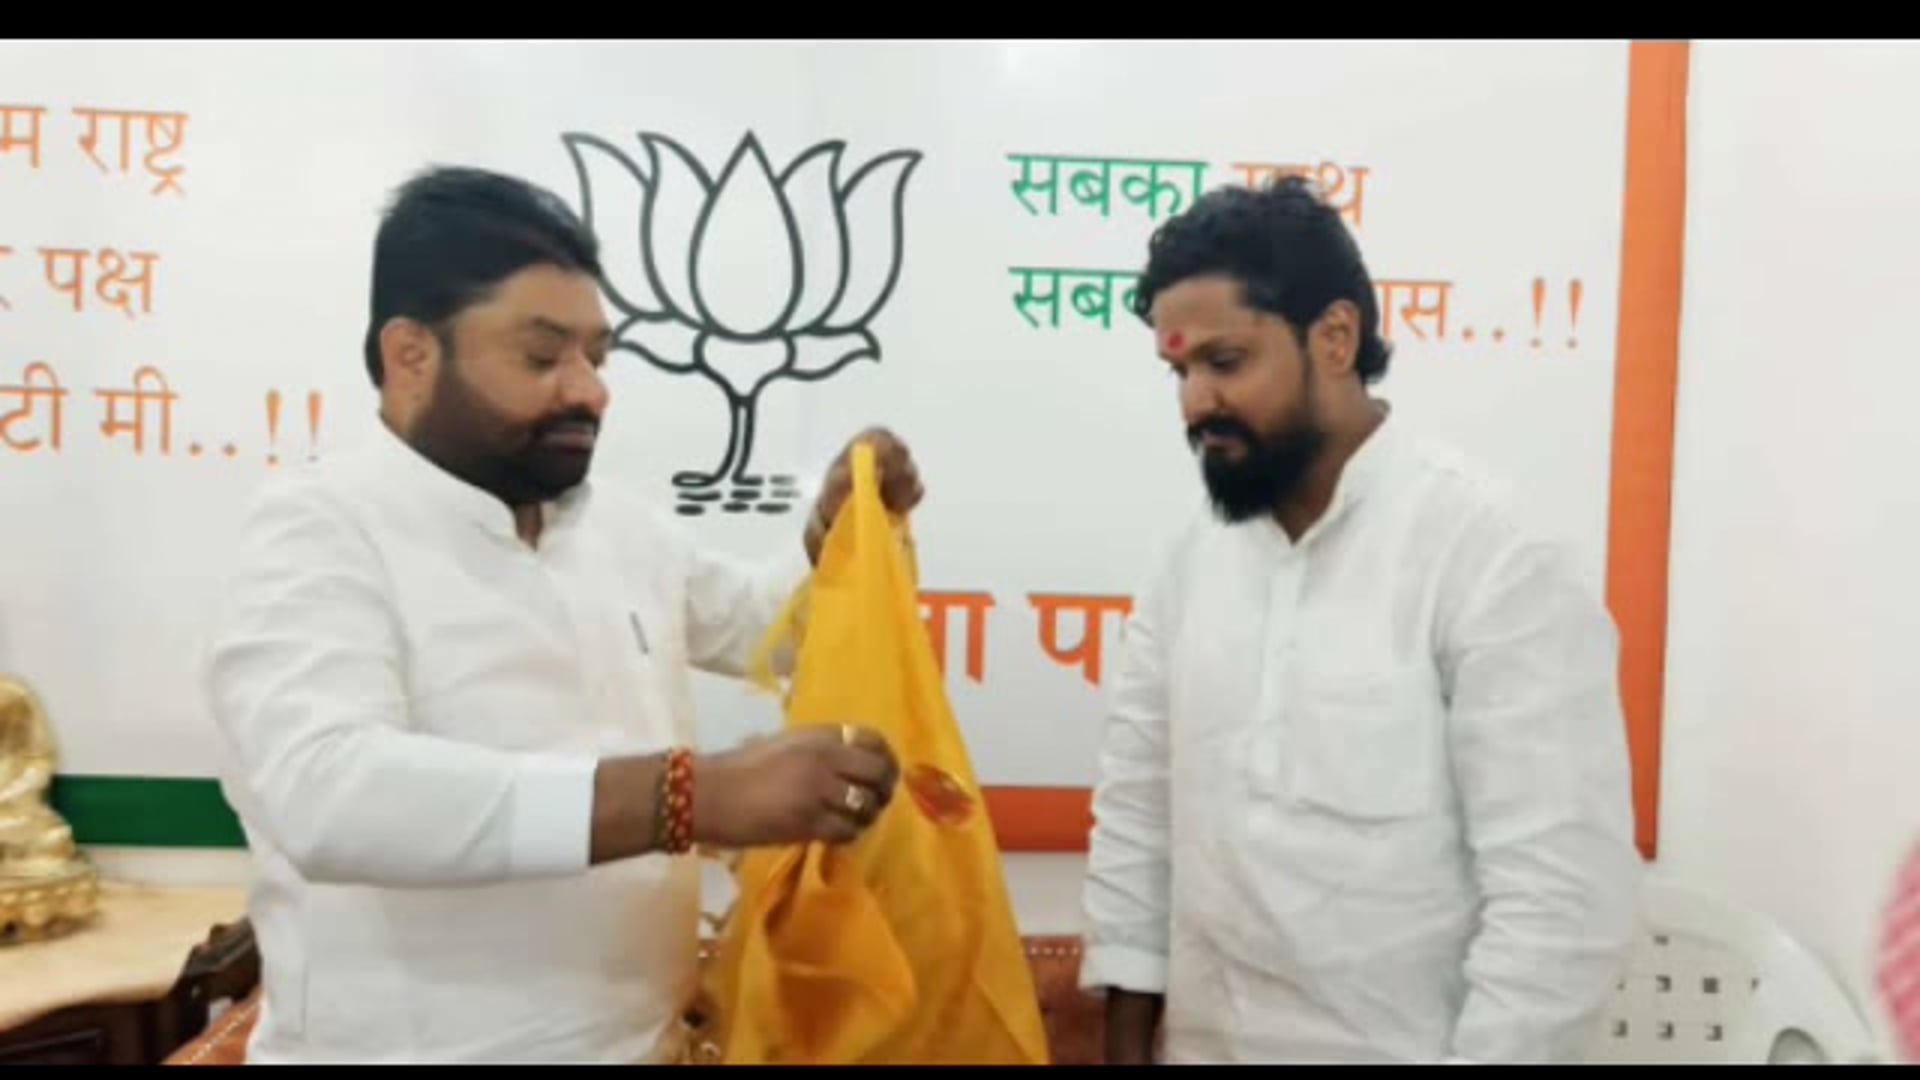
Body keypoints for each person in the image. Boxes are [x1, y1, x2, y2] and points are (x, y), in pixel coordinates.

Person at [204, 165, 924, 1064]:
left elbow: (762, 628)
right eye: (543, 359)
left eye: (597, 357)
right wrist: (688, 797)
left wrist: (836, 539)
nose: (589, 390)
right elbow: (329, 793)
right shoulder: (321, 525)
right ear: (411, 355)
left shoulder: (612, 526)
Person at [1077, 175, 1642, 1064]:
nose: (1194, 403)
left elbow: (1560, 906)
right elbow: (1138, 826)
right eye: (1180, 372)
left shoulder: (1491, 556)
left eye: (1226, 362)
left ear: (1334, 338)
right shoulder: (1188, 566)